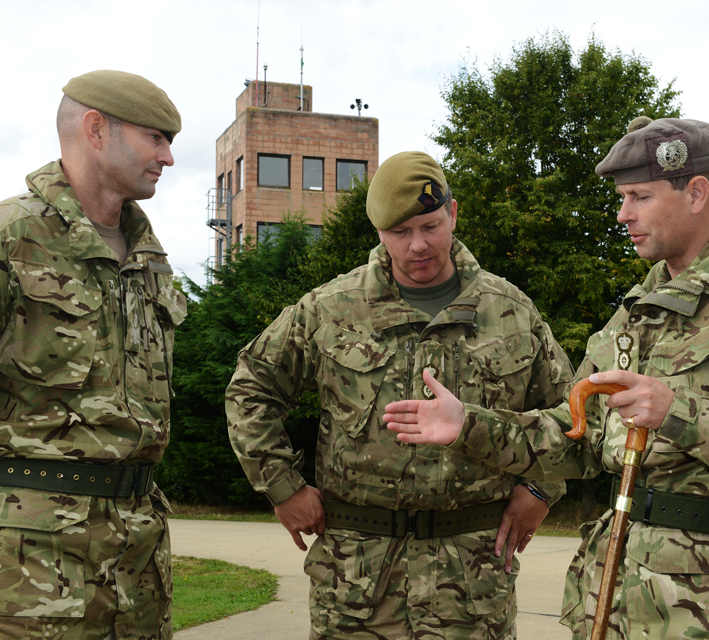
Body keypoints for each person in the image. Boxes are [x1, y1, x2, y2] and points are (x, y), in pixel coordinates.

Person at [383, 118, 709, 640]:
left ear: (696, 193)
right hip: (615, 594)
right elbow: (575, 437)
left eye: (639, 197)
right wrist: (469, 425)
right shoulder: (635, 314)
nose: (623, 214)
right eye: (623, 197)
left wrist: (679, 413)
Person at [225, 151, 574, 639]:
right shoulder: (332, 308)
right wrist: (281, 485)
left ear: (452, 214)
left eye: (430, 226)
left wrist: (541, 489)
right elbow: (252, 386)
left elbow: (572, 414)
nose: (418, 247)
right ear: (379, 232)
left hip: (472, 581)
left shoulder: (511, 312)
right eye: (400, 233)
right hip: (356, 581)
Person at [0, 70, 187, 640]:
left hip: (138, 570)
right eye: (156, 137)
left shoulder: (149, 259)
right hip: (16, 574)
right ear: (97, 129)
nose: (169, 157)